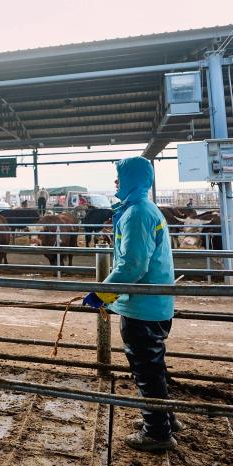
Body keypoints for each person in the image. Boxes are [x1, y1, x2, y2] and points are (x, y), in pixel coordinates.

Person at [85, 157, 178, 451]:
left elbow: (133, 266)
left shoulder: (136, 214)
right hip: (152, 303)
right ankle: (164, 418)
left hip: (142, 306)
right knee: (153, 366)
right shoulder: (143, 209)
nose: (116, 182)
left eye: (120, 177)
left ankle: (157, 433)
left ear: (132, 179)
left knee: (146, 369)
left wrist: (103, 293)